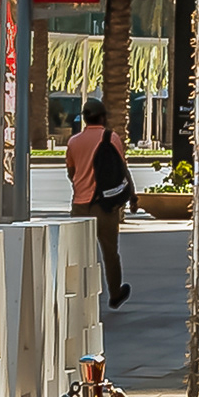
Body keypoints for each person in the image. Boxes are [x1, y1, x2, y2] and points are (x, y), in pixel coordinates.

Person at [64, 97, 133, 309]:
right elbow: (122, 169)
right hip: (104, 206)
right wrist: (132, 196)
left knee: (78, 253)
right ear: (103, 117)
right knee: (110, 252)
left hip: (79, 205)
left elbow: (71, 172)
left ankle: (77, 296)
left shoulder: (73, 142)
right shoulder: (111, 138)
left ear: (85, 119)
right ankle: (115, 293)